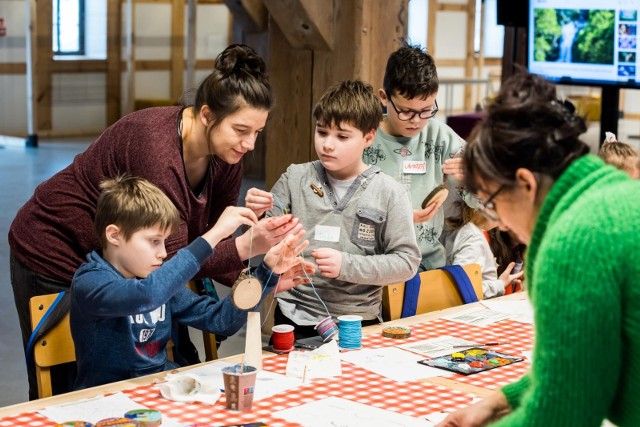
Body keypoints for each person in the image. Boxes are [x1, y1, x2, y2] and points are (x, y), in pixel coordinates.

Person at [9, 44, 300, 399]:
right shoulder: (155, 148)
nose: (250, 143)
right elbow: (178, 264)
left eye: (257, 132)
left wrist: (262, 270)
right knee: (64, 384)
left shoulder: (227, 155)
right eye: (241, 130)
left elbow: (197, 257)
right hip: (54, 244)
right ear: (206, 114)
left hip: (133, 265)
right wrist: (241, 245)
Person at [436, 72, 640, 426]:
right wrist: (500, 402)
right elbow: (582, 363)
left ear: (526, 183)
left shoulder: (572, 242)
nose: (497, 222)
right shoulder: (615, 197)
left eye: (491, 203)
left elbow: (564, 414)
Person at [71, 176, 312, 389]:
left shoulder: (154, 279)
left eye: (165, 242)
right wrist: (213, 235)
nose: (163, 253)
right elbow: (146, 296)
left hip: (158, 391)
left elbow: (221, 321)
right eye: (154, 241)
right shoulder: (91, 282)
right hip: (105, 400)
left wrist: (266, 274)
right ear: (114, 235)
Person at [245, 80, 421, 340]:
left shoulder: (389, 192)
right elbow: (258, 243)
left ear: (369, 137)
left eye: (342, 136)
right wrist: (255, 215)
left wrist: (346, 265)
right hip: (292, 315)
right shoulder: (295, 178)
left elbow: (407, 263)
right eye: (322, 132)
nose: (328, 144)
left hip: (358, 321)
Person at [362, 42, 478, 272]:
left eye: (426, 110)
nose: (416, 120)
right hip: (374, 263)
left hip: (427, 263)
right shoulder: (365, 138)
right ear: (384, 98)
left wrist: (474, 177)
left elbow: (482, 199)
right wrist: (399, 218)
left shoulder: (439, 137)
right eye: (406, 111)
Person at [442, 203, 523, 299]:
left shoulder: (463, 230)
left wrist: (499, 282)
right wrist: (499, 284)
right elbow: (465, 289)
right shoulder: (472, 237)